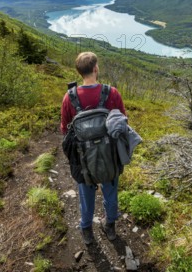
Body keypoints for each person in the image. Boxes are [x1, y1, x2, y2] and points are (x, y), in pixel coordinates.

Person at [61, 52, 126, 245]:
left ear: (79, 72)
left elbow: (65, 129)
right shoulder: (111, 93)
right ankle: (110, 227)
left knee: (86, 195)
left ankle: (87, 230)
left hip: (83, 159)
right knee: (110, 191)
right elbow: (122, 122)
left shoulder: (69, 97)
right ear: (96, 69)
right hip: (109, 155)